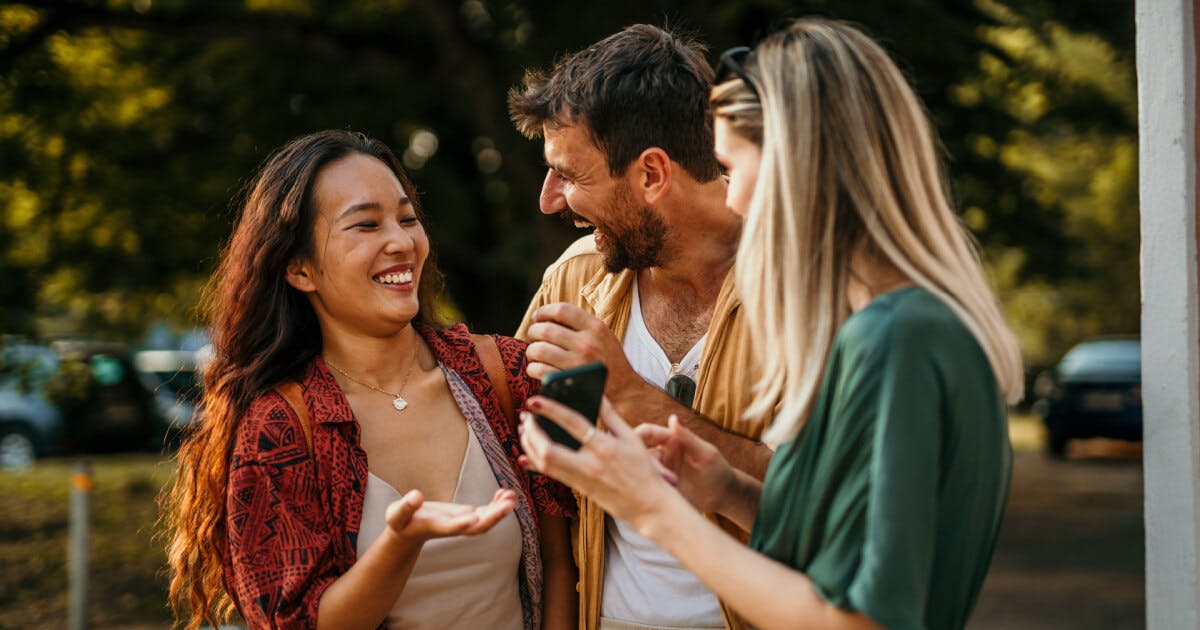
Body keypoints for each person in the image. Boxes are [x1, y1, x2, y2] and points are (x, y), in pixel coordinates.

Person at [519, 18, 1025, 630]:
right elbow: (845, 536)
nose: (728, 197)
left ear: (795, 170)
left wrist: (655, 509)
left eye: (734, 166)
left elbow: (861, 618)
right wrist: (727, 492)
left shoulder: (891, 337)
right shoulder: (921, 324)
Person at [162, 130, 577, 630]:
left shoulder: (504, 376)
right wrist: (400, 544)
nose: (401, 242)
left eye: (407, 218)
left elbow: (562, 562)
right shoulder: (281, 428)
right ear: (300, 269)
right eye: (365, 225)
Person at [509, 24, 776, 630]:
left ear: (653, 174)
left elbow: (836, 506)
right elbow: (515, 454)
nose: (551, 200)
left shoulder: (805, 289)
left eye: (571, 176)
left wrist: (635, 399)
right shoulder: (574, 280)